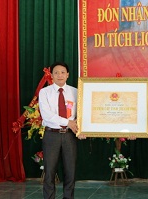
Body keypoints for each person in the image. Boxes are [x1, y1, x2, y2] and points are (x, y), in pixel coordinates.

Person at [39, 62, 85, 199]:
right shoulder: (44, 92)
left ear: (68, 75)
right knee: (50, 172)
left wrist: (82, 128)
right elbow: (47, 115)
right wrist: (68, 122)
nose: (60, 75)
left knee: (70, 172)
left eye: (63, 72)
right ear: (51, 75)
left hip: (69, 136)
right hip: (51, 135)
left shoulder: (76, 92)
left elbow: (81, 114)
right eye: (56, 72)